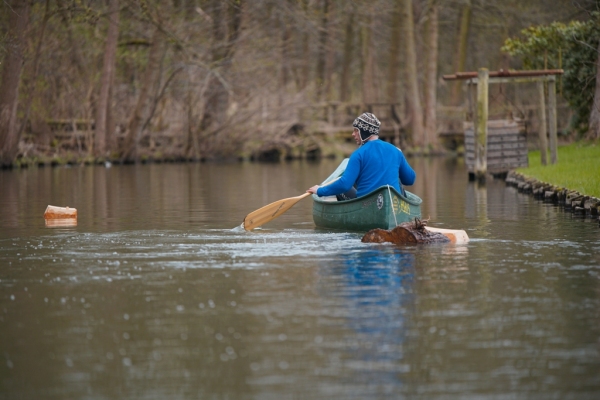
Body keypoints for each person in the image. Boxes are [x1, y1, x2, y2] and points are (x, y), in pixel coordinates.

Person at [307, 112, 415, 200]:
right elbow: (410, 179)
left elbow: (345, 184)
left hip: (366, 204)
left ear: (364, 131)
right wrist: (400, 156)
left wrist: (320, 190)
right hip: (393, 202)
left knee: (341, 186)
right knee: (398, 180)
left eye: (356, 130)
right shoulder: (395, 151)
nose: (353, 134)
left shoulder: (358, 154)